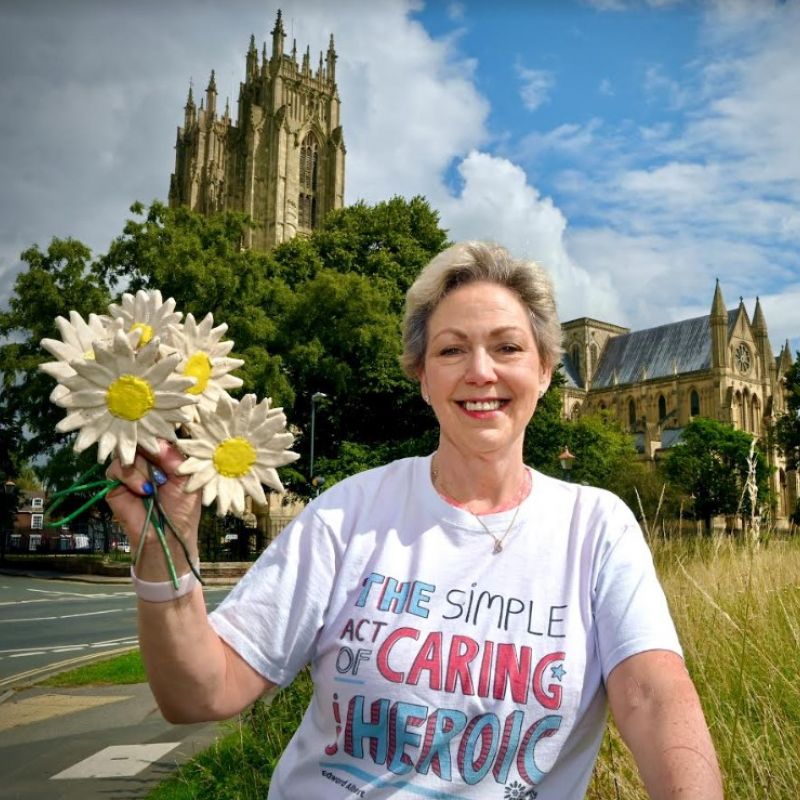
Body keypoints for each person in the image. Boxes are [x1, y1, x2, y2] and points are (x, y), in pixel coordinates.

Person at [107, 241, 722, 799]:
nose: (481, 371)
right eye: (452, 350)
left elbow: (653, 696)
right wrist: (165, 543)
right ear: (422, 378)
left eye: (507, 347)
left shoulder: (597, 527)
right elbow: (198, 693)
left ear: (544, 371)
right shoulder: (350, 514)